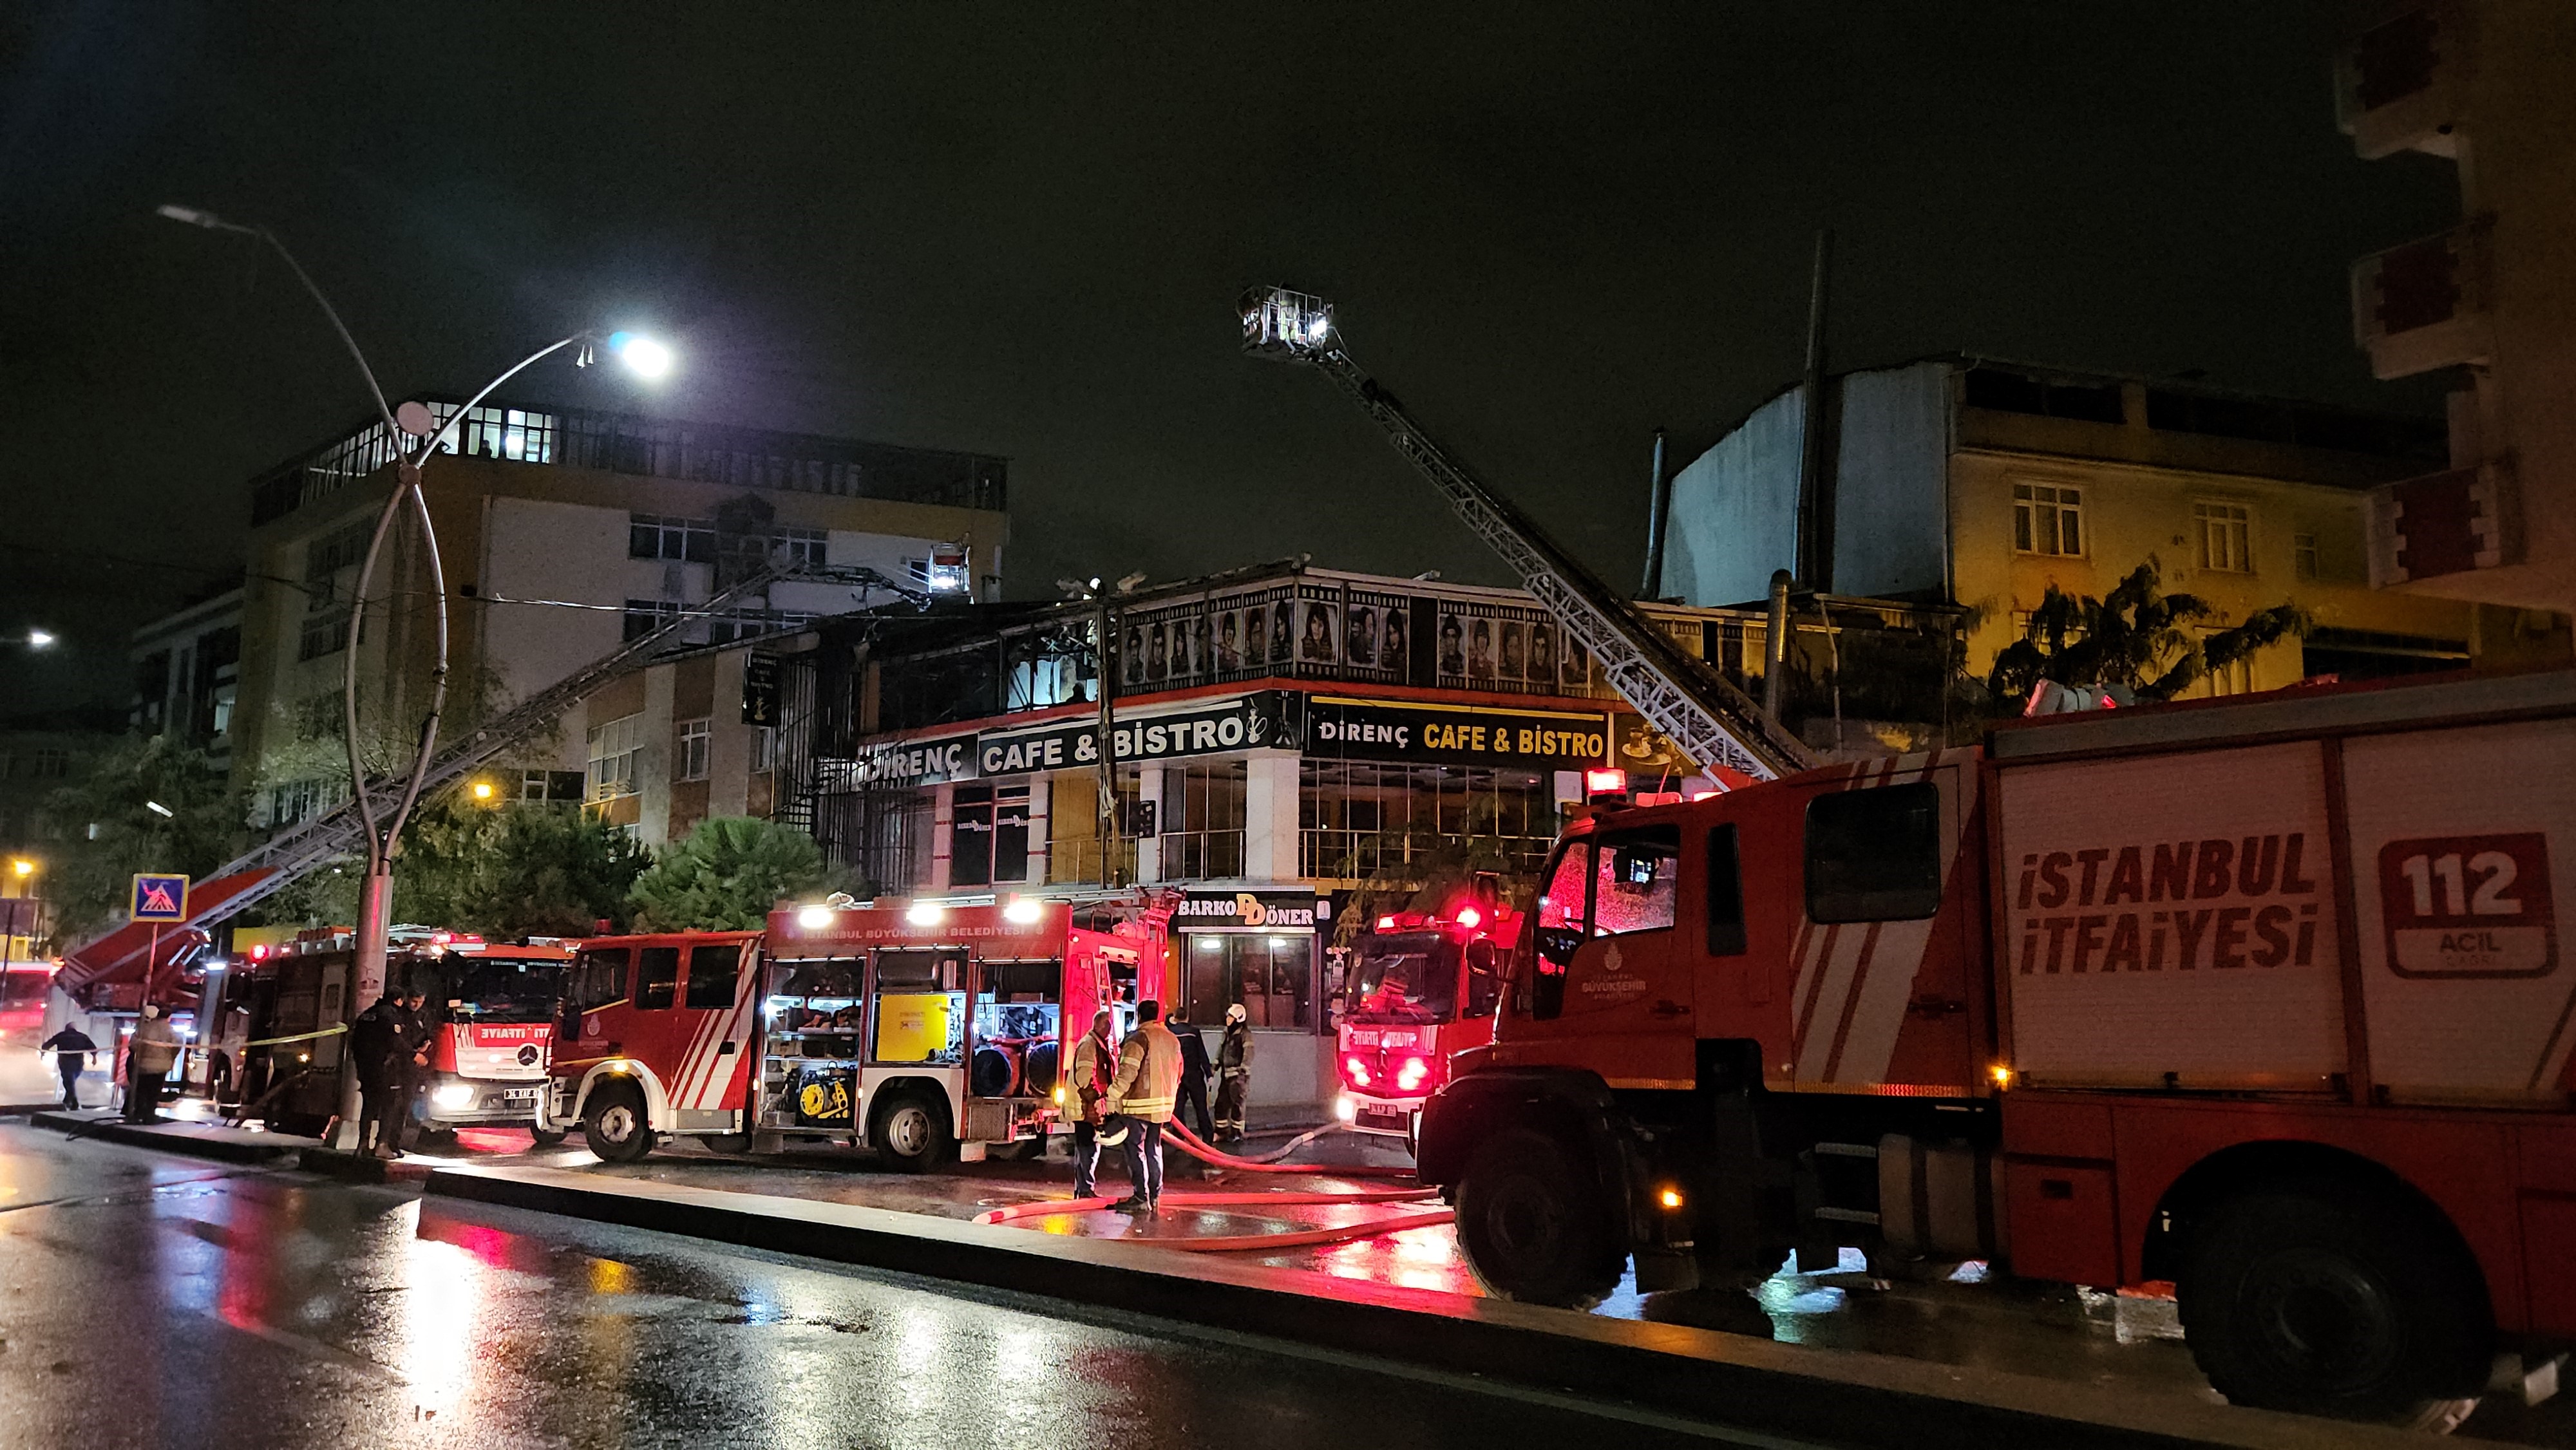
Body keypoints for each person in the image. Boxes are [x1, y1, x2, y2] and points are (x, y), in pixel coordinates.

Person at [1101, 998, 1182, 1213]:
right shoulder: (1171, 1039)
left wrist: (1111, 1096)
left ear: (1139, 1016)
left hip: (1139, 1106)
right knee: (1154, 1149)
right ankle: (1155, 1196)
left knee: (1136, 1150)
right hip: (1162, 1106)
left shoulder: (1139, 1038)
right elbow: (1180, 1071)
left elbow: (1128, 1073)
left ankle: (1140, 1197)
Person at [347, 990, 415, 1158]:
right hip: (385, 1068)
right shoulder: (390, 1015)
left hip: (365, 1069)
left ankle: (362, 1145)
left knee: (369, 1106)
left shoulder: (367, 1015)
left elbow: (354, 1042)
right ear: (398, 1000)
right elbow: (395, 1041)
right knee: (389, 1105)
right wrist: (413, 1054)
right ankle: (381, 1145)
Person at [1065, 1010, 1116, 1200]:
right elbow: (1085, 1078)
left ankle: (1084, 1189)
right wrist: (1095, 1101)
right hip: (1085, 1107)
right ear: (1101, 1025)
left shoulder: (1095, 1044)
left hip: (1089, 1106)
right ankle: (1085, 1190)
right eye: (1108, 1024)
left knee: (1089, 1148)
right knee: (1088, 1148)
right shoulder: (1089, 1045)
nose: (1111, 1028)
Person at [124, 1005, 181, 1124]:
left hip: (143, 1065)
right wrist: (171, 1058)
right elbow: (177, 1045)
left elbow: (133, 1044)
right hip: (161, 1067)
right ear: (169, 1017)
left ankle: (138, 1113)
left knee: (142, 1090)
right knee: (154, 1092)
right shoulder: (170, 1031)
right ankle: (149, 1115)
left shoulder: (145, 1028)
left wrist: (141, 1054)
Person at [1168, 1005, 1215, 1141]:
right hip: (1194, 1075)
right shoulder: (1194, 1032)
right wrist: (1209, 1074)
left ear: (1175, 1018)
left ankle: (1180, 1135)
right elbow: (1201, 1054)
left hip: (1177, 1076)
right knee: (1201, 1108)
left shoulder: (1170, 1033)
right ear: (1187, 1017)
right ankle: (1207, 1137)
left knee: (1178, 1108)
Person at [1214, 1003, 1255, 1143]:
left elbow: (1249, 1053)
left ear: (1238, 1019)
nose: (1228, 1019)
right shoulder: (1227, 1033)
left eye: (1231, 1017)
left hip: (1238, 1077)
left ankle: (1237, 1133)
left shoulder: (1245, 1035)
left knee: (1237, 1106)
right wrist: (1214, 1067)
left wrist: (1243, 1069)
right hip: (1226, 1075)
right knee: (1221, 1104)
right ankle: (1222, 1131)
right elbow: (1221, 1051)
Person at [40, 1022, 96, 1111]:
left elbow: (47, 1045)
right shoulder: (82, 1036)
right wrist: (94, 1058)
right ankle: (67, 1101)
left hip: (65, 1062)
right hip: (78, 1063)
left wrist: (43, 1053)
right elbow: (93, 1049)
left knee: (68, 1081)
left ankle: (74, 1102)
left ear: (66, 1029)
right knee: (71, 1081)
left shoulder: (61, 1036)